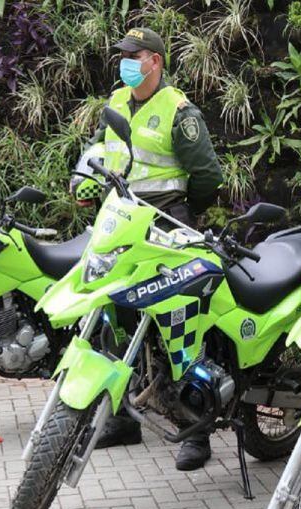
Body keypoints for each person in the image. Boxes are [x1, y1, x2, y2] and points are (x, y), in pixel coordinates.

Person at [84, 27, 224, 464]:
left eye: (134, 55)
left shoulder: (178, 110)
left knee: (176, 322)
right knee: (114, 317)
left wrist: (181, 213)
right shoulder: (116, 101)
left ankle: (193, 432)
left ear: (156, 62)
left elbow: (208, 176)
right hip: (121, 224)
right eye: (122, 54)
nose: (125, 61)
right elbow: (100, 150)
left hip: (165, 223)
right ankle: (124, 419)